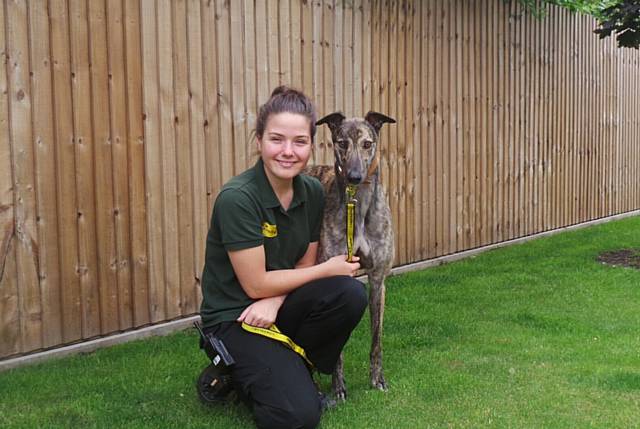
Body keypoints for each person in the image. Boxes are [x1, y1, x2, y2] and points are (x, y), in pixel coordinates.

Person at [200, 86, 367, 429]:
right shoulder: (238, 198)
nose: (288, 152)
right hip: (236, 316)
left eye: (300, 141)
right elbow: (254, 282)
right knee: (299, 416)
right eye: (277, 139)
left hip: (273, 304)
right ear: (259, 140)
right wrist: (327, 269)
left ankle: (285, 369)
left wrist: (276, 301)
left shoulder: (312, 191)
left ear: (311, 144)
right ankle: (233, 370)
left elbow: (303, 265)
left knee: (349, 294)